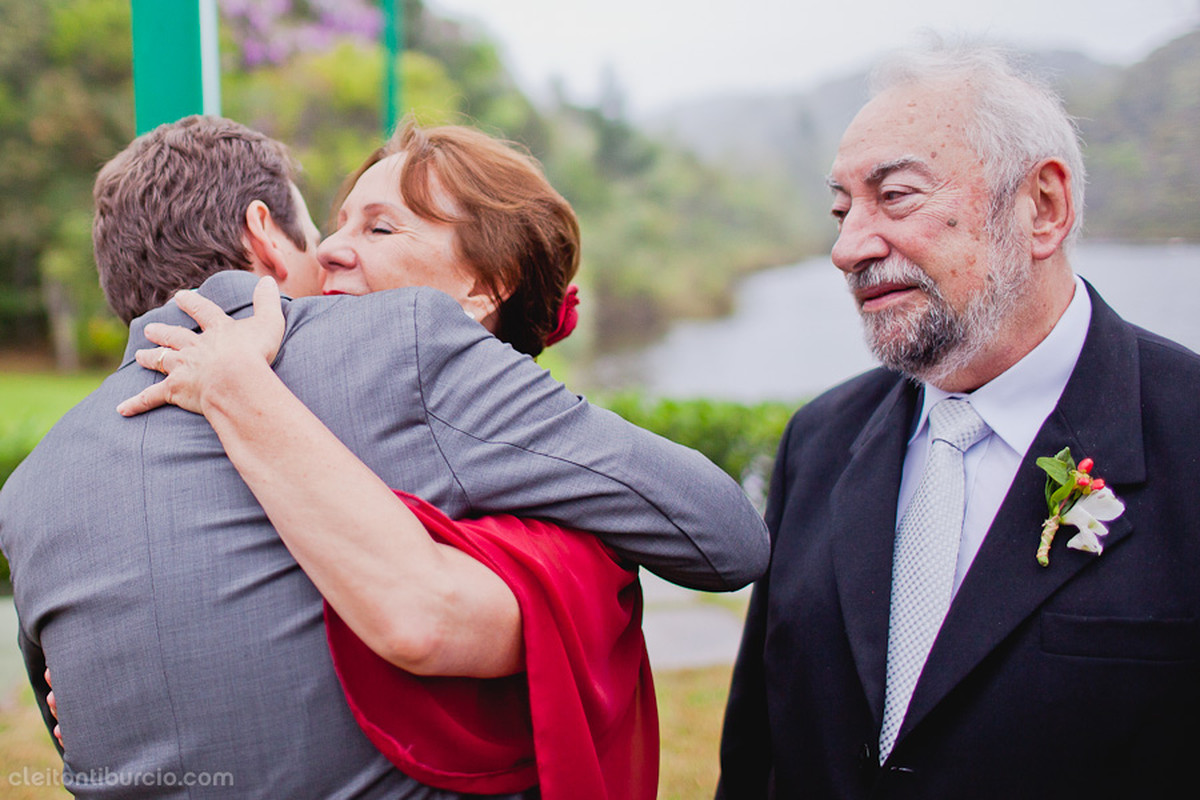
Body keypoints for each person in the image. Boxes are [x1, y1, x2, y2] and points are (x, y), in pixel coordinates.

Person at [0, 116, 768, 799]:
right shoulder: (390, 353)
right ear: (266, 237)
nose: (332, 251)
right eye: (329, 226)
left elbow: (77, 734)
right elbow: (722, 536)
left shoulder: (34, 486)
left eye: (378, 228)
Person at [717, 38, 1200, 799]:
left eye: (896, 196)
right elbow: (759, 754)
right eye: (841, 210)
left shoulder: (1187, 432)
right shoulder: (820, 441)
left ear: (1042, 207)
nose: (847, 247)